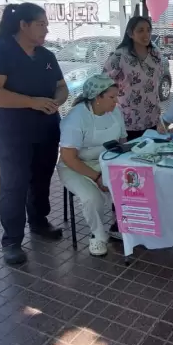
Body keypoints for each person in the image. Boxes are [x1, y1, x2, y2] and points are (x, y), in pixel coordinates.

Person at [0, 3, 69, 265]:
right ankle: (12, 241)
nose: (47, 30)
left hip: (46, 130)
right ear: (23, 25)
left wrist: (56, 102)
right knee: (14, 184)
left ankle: (39, 223)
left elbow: (62, 88)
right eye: (41, 24)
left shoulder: (47, 57)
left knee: (41, 179)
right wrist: (31, 101)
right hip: (11, 132)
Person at [57, 74, 126, 257]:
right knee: (92, 197)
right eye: (112, 97)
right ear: (97, 98)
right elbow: (69, 157)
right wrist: (97, 177)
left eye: (116, 96)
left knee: (128, 186)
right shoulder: (77, 117)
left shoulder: (115, 112)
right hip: (74, 167)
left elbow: (122, 141)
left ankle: (118, 225)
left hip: (107, 160)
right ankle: (97, 235)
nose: (116, 101)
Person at [104, 16, 166, 140]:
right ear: (130, 33)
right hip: (128, 121)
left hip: (151, 119)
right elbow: (104, 83)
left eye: (148, 30)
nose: (146, 34)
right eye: (140, 30)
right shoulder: (119, 56)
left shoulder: (155, 54)